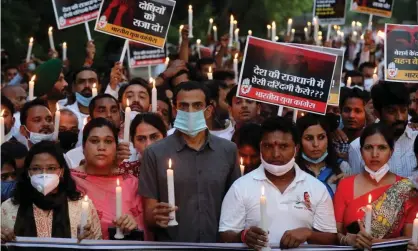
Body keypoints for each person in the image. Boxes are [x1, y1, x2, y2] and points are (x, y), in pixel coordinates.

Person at [140, 81, 239, 242]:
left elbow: (237, 206)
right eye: (183, 106)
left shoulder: (228, 151)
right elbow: (150, 213)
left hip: (218, 246)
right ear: (174, 110)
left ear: (208, 110)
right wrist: (157, 216)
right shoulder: (154, 153)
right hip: (173, 246)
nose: (190, 112)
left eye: (197, 105)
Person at [219, 116, 338, 249]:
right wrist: (244, 236)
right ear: (260, 147)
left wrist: (308, 234)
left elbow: (331, 238)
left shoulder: (316, 188)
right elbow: (226, 233)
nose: (275, 154)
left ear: (296, 149)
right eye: (268, 146)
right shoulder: (240, 187)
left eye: (283, 146)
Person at [335, 123, 418, 250]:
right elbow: (334, 233)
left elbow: (410, 238)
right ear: (361, 151)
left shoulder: (407, 188)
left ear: (391, 151)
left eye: (382, 148)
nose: (375, 154)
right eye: (368, 147)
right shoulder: (345, 185)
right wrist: (347, 239)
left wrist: (377, 242)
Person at [1, 141, 102, 242]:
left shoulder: (82, 206)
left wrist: (89, 241)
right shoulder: (8, 208)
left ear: (61, 171)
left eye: (51, 168)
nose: (44, 174)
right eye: (36, 168)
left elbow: (98, 243)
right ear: (28, 172)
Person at [71, 118, 143, 240]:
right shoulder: (70, 181)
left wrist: (133, 227)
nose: (101, 147)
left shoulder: (130, 183)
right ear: (83, 147)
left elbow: (145, 233)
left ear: (116, 148)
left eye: (108, 141)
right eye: (94, 141)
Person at [349, 81, 418, 178]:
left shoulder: (416, 140)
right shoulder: (357, 147)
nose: (400, 117)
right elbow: (356, 188)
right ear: (377, 113)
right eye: (391, 111)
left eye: (403, 110)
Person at [66, 94, 136, 168]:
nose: (109, 115)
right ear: (89, 119)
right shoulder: (72, 156)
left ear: (121, 119)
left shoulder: (132, 151)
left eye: (114, 111)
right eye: (102, 111)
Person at [296, 114, 343, 198]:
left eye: (321, 137)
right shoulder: (292, 170)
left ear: (328, 139)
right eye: (309, 138)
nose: (316, 144)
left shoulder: (343, 167)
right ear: (299, 141)